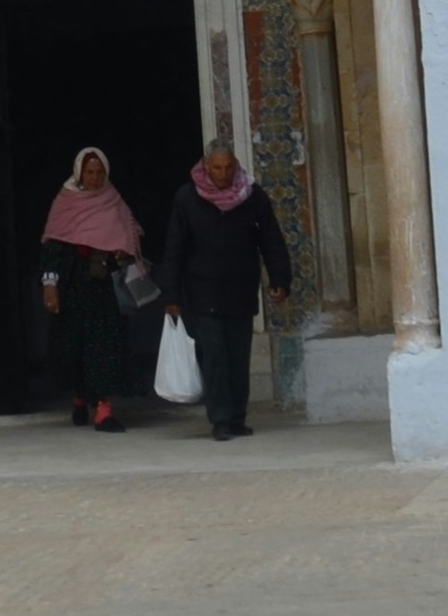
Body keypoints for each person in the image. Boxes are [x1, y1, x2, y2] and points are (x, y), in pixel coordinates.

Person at [156, 143, 296, 441]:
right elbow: (174, 249)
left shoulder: (252, 196)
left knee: (237, 357)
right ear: (206, 167)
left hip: (240, 290)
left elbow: (271, 239)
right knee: (215, 357)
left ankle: (237, 418)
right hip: (202, 291)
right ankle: (219, 419)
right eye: (216, 168)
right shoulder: (187, 198)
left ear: (235, 166)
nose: (222, 174)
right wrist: (171, 296)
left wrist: (280, 279)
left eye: (228, 167)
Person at [35, 145, 153, 430]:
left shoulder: (113, 200)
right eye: (89, 172)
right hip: (73, 287)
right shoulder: (65, 202)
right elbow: (54, 245)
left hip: (104, 288)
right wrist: (50, 285)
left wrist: (123, 250)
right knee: (76, 346)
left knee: (104, 346)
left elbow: (131, 234)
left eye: (100, 172)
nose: (95, 177)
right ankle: (80, 396)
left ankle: (103, 408)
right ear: (79, 172)